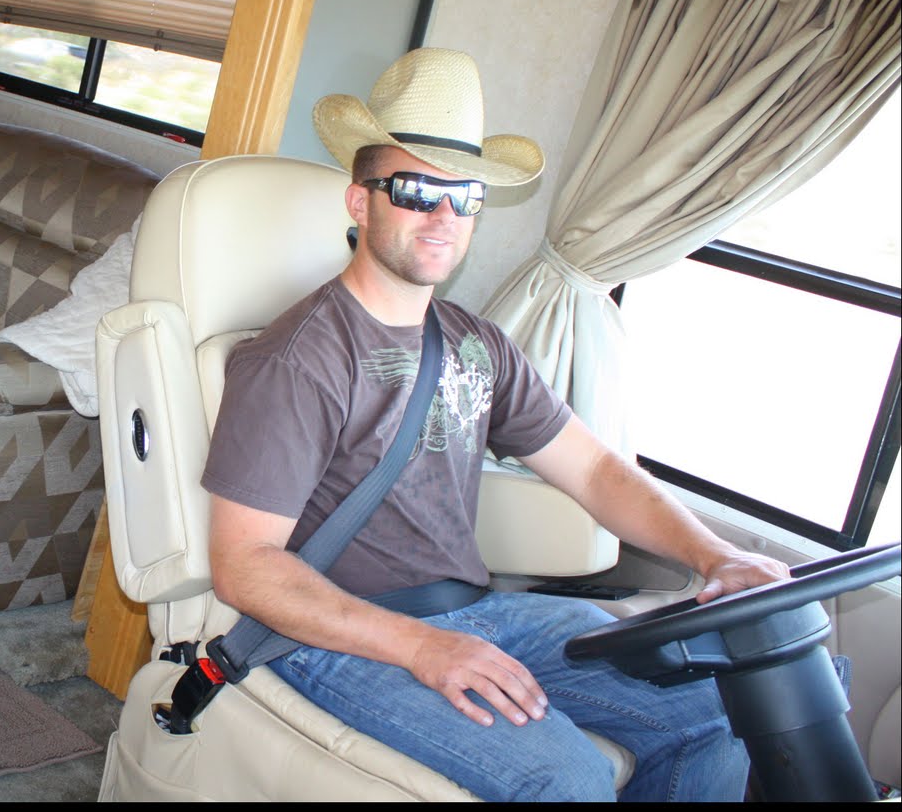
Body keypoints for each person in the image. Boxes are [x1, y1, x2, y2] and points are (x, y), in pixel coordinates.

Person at [200, 47, 790, 802]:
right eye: (416, 190)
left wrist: (716, 556)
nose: (444, 217)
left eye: (465, 196)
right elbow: (246, 565)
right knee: (566, 778)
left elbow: (594, 470)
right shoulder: (296, 361)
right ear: (360, 202)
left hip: (478, 611)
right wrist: (422, 646)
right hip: (339, 636)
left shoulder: (476, 343)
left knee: (725, 711)